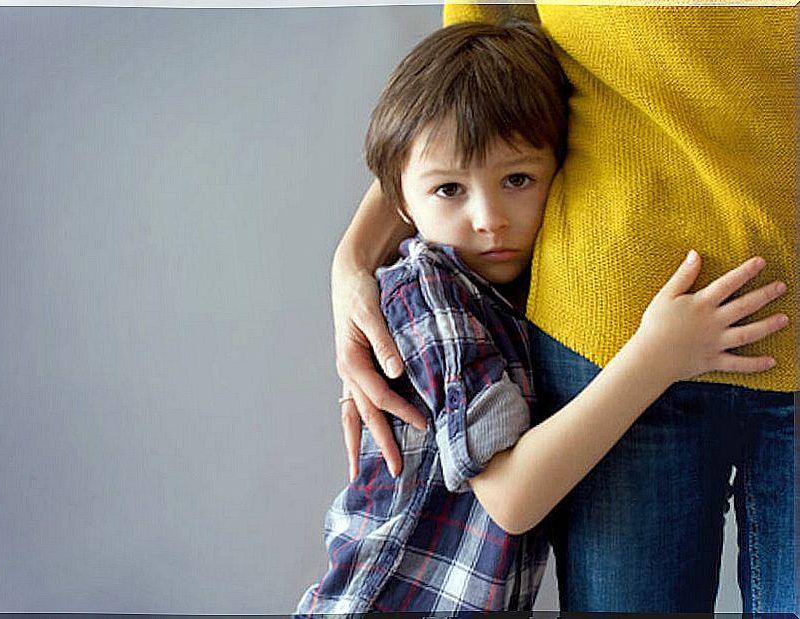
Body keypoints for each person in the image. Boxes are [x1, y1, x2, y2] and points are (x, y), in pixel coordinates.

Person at [297, 21, 789, 615]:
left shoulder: (496, 285)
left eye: (518, 180)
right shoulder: (433, 301)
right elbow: (511, 496)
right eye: (450, 190)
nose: (490, 219)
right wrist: (656, 356)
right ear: (400, 202)